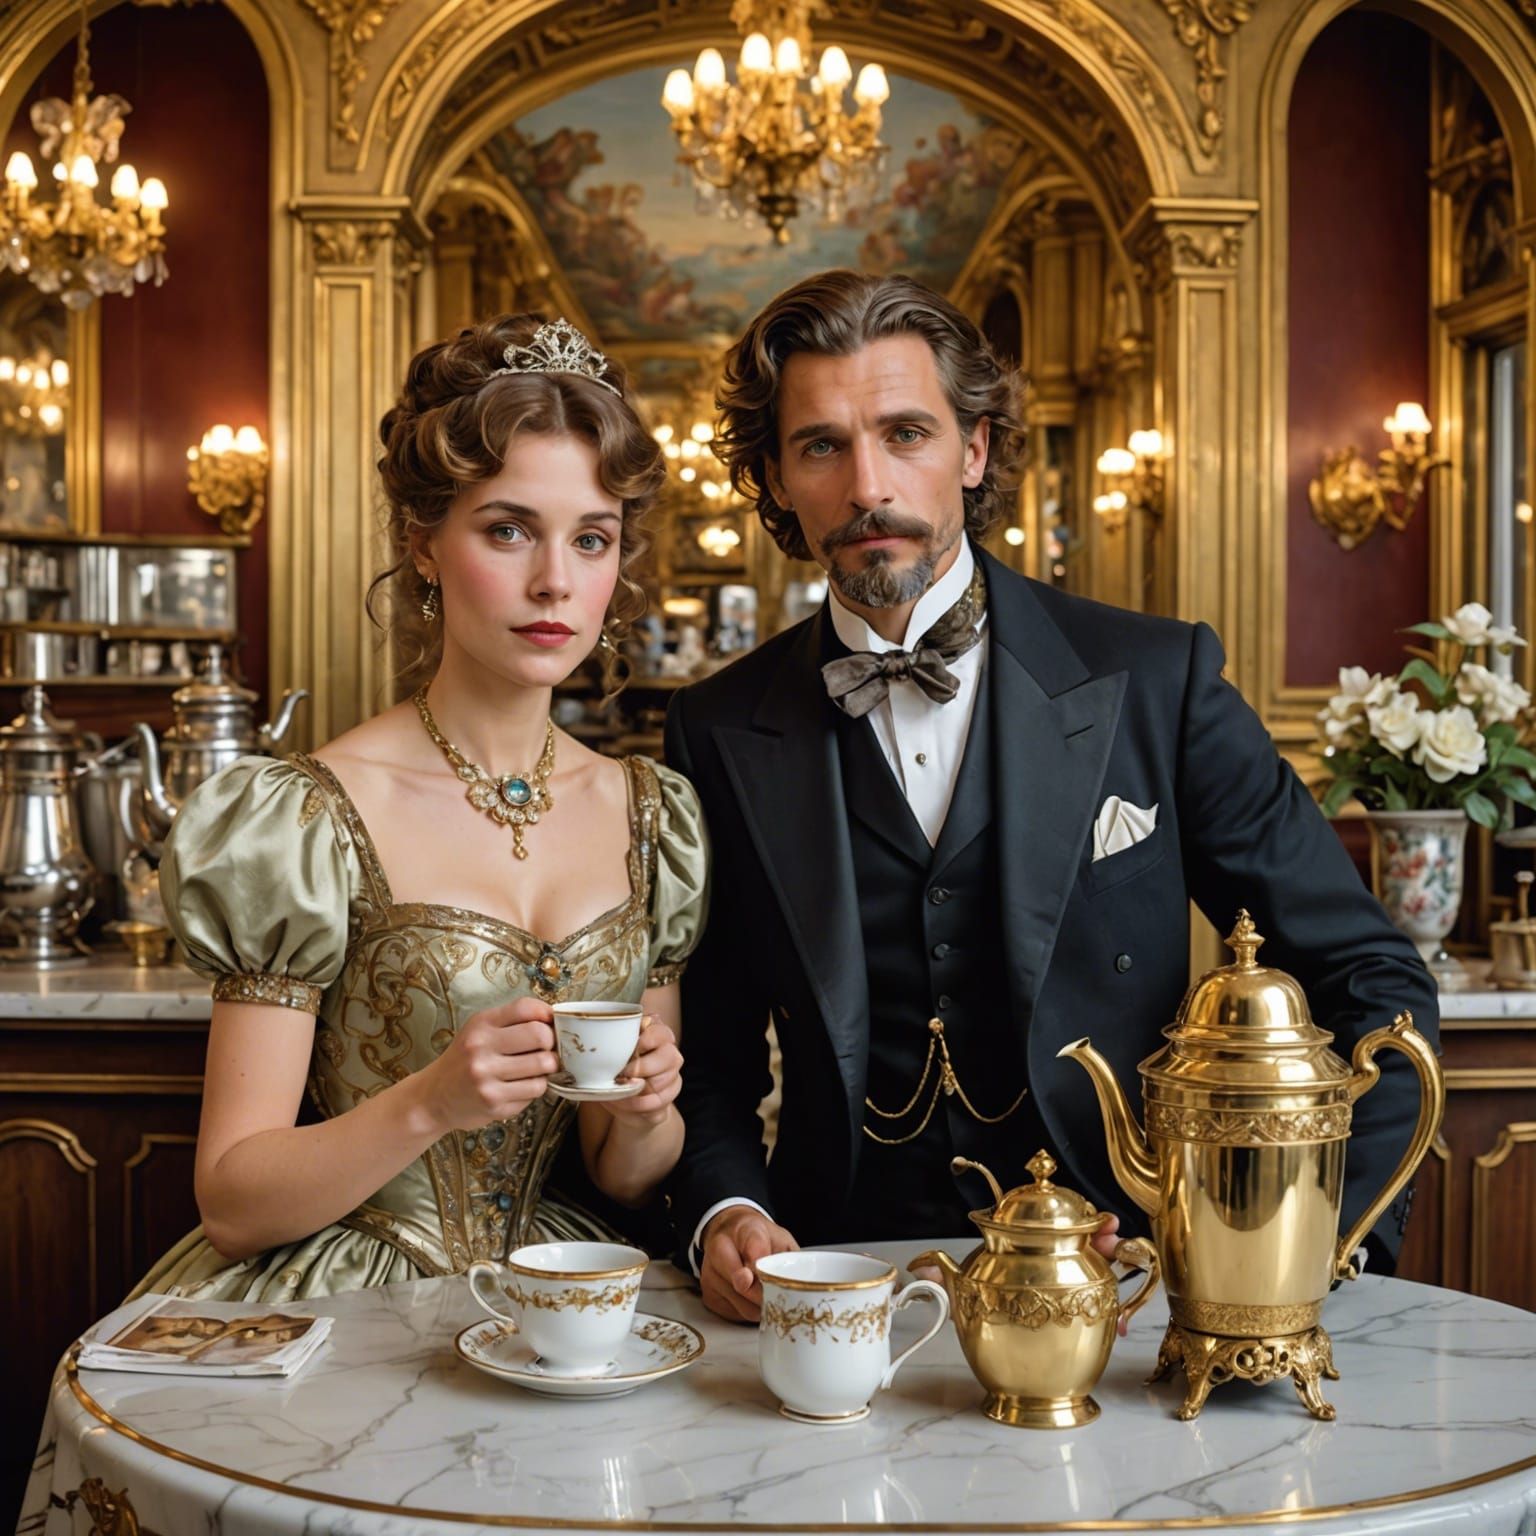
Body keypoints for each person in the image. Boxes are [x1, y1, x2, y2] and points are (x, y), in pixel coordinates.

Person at [665, 269, 1439, 1324]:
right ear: (774, 476)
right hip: (837, 1294)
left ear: (974, 449)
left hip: (1130, 1294)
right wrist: (726, 1210)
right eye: (820, 446)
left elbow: (1372, 978)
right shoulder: (716, 728)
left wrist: (1301, 1250)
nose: (867, 486)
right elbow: (701, 1058)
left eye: (906, 434)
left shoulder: (1154, 683)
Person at [135, 314, 707, 1301]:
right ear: (425, 548)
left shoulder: (652, 816)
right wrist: (433, 1100)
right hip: (348, 1303)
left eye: (592, 539)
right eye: (508, 528)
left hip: (562, 1301)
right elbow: (231, 1201)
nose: (554, 581)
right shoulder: (305, 817)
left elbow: (622, 1172)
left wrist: (651, 1110)